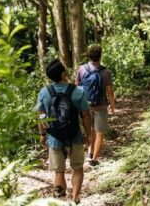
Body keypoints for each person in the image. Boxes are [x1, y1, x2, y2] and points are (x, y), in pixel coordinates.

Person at [36, 59, 94, 203]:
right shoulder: (78, 91)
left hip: (54, 137)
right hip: (75, 135)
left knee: (59, 171)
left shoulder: (44, 93)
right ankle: (75, 197)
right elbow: (85, 115)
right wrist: (89, 134)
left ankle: (60, 200)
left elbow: (41, 116)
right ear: (62, 74)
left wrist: (43, 134)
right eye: (64, 68)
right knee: (78, 168)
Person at [75, 44, 116, 167]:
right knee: (99, 132)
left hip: (85, 106)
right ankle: (94, 158)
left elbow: (76, 87)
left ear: (88, 55)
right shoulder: (106, 72)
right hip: (101, 106)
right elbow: (109, 91)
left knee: (90, 130)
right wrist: (112, 105)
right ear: (100, 55)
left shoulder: (81, 69)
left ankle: (89, 152)